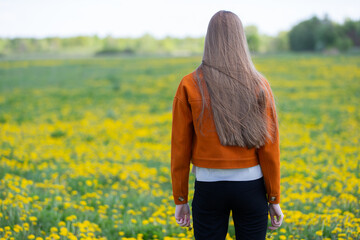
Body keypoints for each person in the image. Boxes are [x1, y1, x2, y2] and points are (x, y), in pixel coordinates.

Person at [170, 10, 284, 240]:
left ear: (208, 39)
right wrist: (274, 199)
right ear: (240, 39)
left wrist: (180, 198)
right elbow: (270, 148)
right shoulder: (259, 84)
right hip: (251, 187)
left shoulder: (189, 84)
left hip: (208, 186)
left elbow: (179, 147)